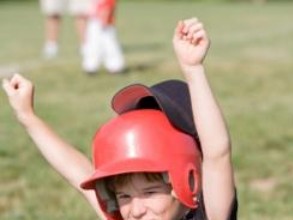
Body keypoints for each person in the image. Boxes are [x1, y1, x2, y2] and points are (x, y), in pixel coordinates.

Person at [2, 17, 237, 219]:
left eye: (150, 192)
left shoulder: (208, 213)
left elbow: (217, 153)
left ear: (189, 180)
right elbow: (80, 174)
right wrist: (28, 117)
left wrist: (193, 68)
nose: (135, 211)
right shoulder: (120, 214)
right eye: (124, 195)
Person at [81, 0, 125, 75]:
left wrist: (106, 16)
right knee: (92, 44)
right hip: (94, 20)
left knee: (110, 44)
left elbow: (109, 4)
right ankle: (91, 66)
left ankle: (115, 66)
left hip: (105, 22)